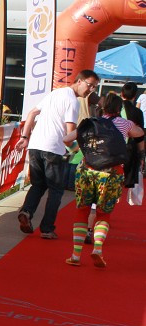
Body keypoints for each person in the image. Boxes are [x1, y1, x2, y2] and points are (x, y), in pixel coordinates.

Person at [15, 70, 101, 239]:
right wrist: (79, 149)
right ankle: (47, 228)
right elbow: (69, 136)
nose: (90, 90)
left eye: (94, 87)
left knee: (38, 184)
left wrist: (25, 137)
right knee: (56, 190)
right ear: (79, 81)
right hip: (53, 148)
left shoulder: (55, 94)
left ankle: (27, 211)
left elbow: (32, 113)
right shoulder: (72, 102)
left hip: (35, 145)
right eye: (89, 85)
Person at [62, 92, 144, 268]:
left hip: (87, 171)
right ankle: (97, 249)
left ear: (102, 107)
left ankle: (76, 255)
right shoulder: (125, 123)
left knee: (82, 211)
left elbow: (66, 139)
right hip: (112, 174)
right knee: (103, 213)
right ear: (119, 109)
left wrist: (77, 149)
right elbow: (139, 134)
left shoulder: (90, 123)